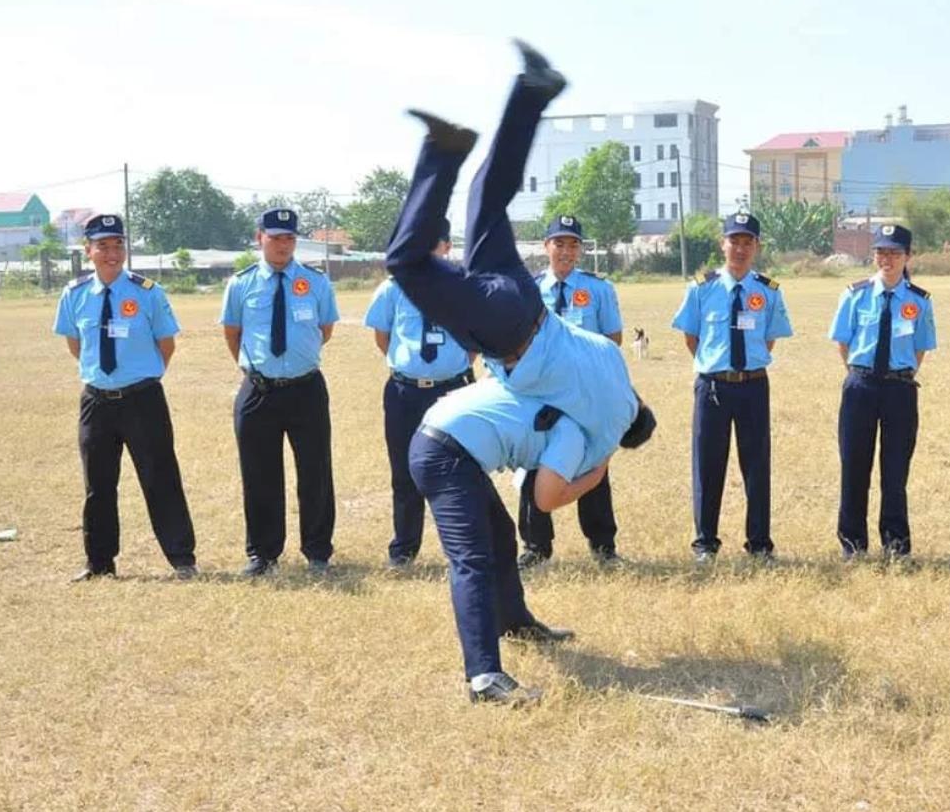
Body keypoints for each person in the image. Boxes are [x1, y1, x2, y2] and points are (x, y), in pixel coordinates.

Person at [383, 39, 649, 465]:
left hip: (523, 294)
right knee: (404, 263)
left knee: (485, 197)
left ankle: (533, 90)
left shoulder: (611, 365)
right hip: (510, 332)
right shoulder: (598, 428)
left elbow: (598, 342)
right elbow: (553, 478)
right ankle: (443, 151)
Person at [411, 376, 648, 706]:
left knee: (502, 537)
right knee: (472, 561)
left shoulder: (567, 392)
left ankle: (515, 624)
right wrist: (595, 475)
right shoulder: (573, 432)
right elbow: (545, 500)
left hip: (447, 443)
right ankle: (484, 678)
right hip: (445, 454)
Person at [52, 213, 197, 581]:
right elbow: (76, 345)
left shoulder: (148, 292)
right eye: (103, 246)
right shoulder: (75, 295)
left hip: (142, 399)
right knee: (97, 485)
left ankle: (182, 559)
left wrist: (140, 377)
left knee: (160, 478)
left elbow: (166, 345)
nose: (111, 253)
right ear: (88, 251)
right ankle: (99, 564)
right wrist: (104, 376)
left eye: (118, 245)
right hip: (97, 401)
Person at [220, 208, 340, 576]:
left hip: (306, 389)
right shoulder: (241, 284)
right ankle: (263, 553)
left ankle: (318, 551)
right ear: (260, 238)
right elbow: (233, 333)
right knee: (259, 474)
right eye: (275, 237)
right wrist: (258, 368)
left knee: (315, 471)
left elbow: (325, 329)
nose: (283, 245)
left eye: (289, 238)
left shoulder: (316, 282)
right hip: (259, 391)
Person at [671, 212, 793, 564]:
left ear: (757, 247)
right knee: (708, 465)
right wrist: (718, 367)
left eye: (747, 242)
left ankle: (759, 544)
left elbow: (769, 340)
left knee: (756, 464)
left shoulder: (767, 291)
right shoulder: (701, 289)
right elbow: (691, 338)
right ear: (722, 244)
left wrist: (743, 369)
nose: (740, 249)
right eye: (734, 241)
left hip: (753, 385)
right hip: (712, 386)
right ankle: (705, 543)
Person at [364, 218, 475, 568]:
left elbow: (474, 339)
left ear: (447, 247)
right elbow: (384, 337)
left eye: (436, 243)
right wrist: (412, 368)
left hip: (452, 391)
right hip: (405, 392)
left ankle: (464, 547)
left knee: (460, 471)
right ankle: (404, 550)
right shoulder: (393, 288)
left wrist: (451, 367)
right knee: (404, 472)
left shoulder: (463, 286)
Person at [516, 214, 625, 568]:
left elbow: (612, 340)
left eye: (573, 244)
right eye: (559, 243)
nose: (565, 251)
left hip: (584, 394)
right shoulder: (527, 290)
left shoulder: (598, 289)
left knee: (593, 463)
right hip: (541, 393)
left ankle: (603, 546)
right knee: (534, 464)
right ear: (546, 247)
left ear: (581, 250)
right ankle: (536, 546)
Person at [828, 224, 936, 560]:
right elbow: (843, 343)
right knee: (854, 468)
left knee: (895, 470)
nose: (887, 259)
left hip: (900, 389)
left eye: (895, 253)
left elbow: (920, 348)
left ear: (908, 256)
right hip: (860, 386)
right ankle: (853, 544)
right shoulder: (855, 294)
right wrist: (861, 374)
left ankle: (896, 545)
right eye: (881, 252)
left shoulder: (918, 301)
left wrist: (898, 374)